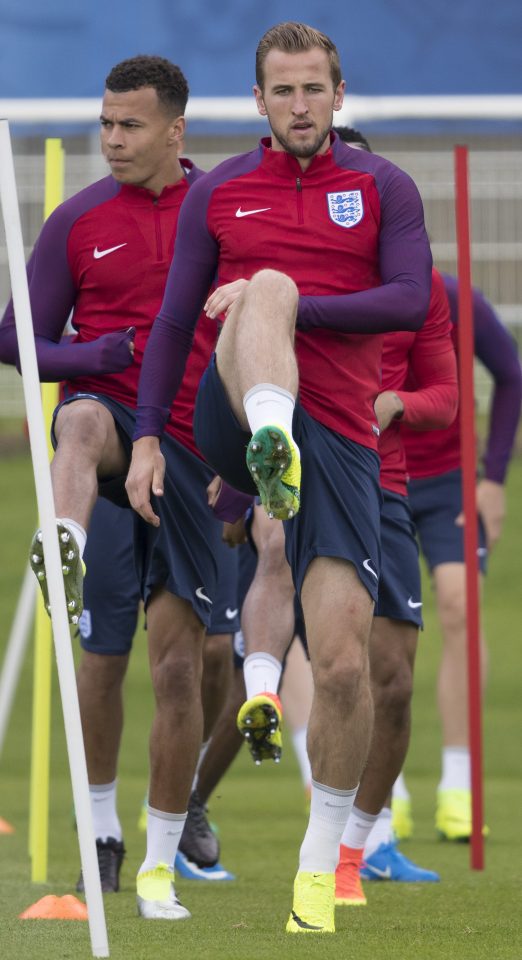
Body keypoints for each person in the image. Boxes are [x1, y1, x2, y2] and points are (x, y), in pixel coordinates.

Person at [126, 22, 433, 934]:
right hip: (232, 418)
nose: (300, 105)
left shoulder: (384, 188)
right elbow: (177, 324)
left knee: (342, 669)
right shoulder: (218, 192)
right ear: (259, 102)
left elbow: (412, 299)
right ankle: (268, 444)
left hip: (340, 438)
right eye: (283, 91)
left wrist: (301, 306)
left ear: (339, 97)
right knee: (261, 287)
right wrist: (147, 439)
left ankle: (316, 872)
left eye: (314, 89)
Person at [0, 54, 250, 920]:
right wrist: (89, 359)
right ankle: (100, 832)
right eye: (104, 123)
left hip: (194, 456)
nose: (111, 140)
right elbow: (16, 340)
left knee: (183, 667)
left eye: (129, 125)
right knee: (79, 424)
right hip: (107, 440)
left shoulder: (223, 210)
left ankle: (157, 861)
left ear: (175, 128)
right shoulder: (75, 221)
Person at [393, 274, 522, 842]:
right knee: (375, 627)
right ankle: (380, 793)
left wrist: (493, 479)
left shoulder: (456, 297)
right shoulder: (356, 295)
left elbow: (512, 375)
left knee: (459, 607)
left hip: (450, 483)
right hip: (377, 474)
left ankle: (458, 785)